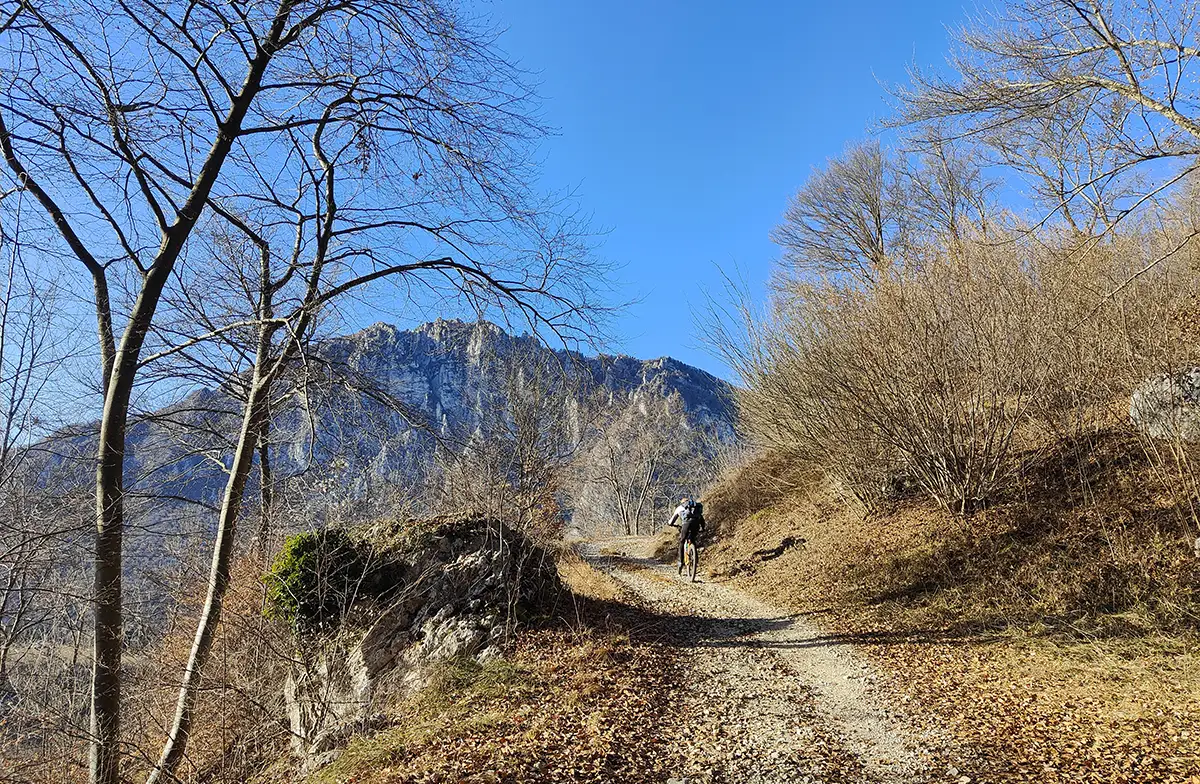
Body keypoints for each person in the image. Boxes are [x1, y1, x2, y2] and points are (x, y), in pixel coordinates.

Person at [667, 496, 704, 575]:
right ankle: (694, 559)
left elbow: (672, 520)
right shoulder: (696, 507)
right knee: (693, 540)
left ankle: (680, 562)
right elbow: (701, 518)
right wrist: (703, 528)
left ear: (682, 502)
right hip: (696, 525)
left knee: (682, 541)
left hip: (686, 524)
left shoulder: (680, 508)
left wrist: (671, 524)